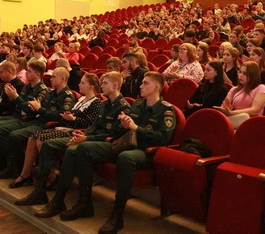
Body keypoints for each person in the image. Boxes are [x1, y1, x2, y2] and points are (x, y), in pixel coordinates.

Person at [44, 72, 175, 234]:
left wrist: (135, 128)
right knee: (82, 149)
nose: (140, 86)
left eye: (145, 83)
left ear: (156, 87)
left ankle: (117, 215)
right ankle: (82, 203)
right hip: (123, 143)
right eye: (142, 82)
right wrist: (124, 124)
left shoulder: (166, 110)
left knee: (126, 157)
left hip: (145, 150)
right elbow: (121, 130)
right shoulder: (137, 105)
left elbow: (162, 138)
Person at [14, 72, 130, 209]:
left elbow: (114, 134)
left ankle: (59, 198)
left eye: (105, 83)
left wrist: (86, 137)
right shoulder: (105, 104)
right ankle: (40, 191)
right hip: (85, 135)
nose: (101, 86)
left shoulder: (122, 107)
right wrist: (83, 134)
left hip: (103, 142)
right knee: (47, 143)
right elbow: (94, 126)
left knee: (64, 148)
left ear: (115, 85)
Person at [9, 73, 102, 188]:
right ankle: (25, 175)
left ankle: (50, 176)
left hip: (76, 131)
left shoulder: (96, 103)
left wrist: (73, 119)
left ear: (91, 87)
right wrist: (67, 116)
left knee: (41, 140)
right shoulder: (81, 99)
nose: (79, 84)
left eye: (83, 83)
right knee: (33, 137)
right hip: (66, 127)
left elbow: (90, 123)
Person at [0, 61, 50, 173]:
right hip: (16, 115)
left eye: (29, 71)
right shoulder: (27, 87)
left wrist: (15, 97)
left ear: (37, 74)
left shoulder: (42, 90)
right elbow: (19, 105)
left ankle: (10, 163)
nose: (26, 73)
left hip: (27, 119)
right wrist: (12, 98)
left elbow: (30, 110)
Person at [214, 61, 265, 129]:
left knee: (244, 117)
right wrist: (225, 110)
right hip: (236, 120)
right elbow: (224, 107)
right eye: (240, 72)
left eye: (245, 73)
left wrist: (231, 113)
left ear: (253, 75)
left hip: (253, 122)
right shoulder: (234, 89)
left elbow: (255, 110)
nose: (240, 75)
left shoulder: (260, 88)